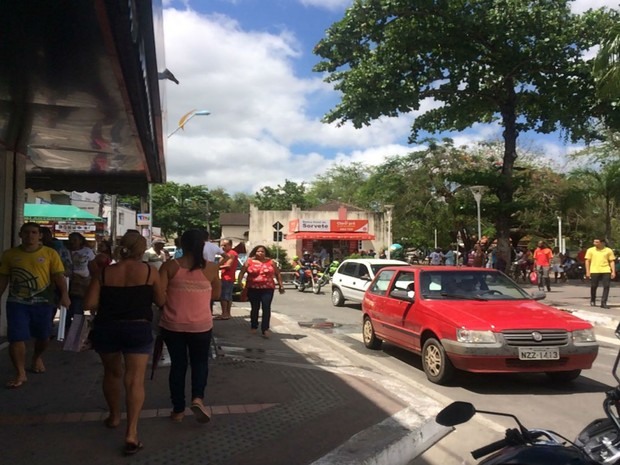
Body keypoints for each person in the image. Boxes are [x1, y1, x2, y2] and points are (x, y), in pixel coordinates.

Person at [84, 231, 165, 455]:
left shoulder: (105, 272)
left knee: (111, 374)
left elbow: (90, 302)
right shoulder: (151, 271)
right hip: (137, 328)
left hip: (107, 328)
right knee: (134, 380)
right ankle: (131, 432)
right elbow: (161, 301)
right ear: (141, 249)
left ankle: (113, 416)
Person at [159, 229, 221, 423]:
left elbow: (159, 298)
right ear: (202, 245)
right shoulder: (211, 268)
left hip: (172, 325)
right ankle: (197, 398)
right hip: (201, 325)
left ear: (181, 245)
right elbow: (217, 295)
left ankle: (178, 410)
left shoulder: (169, 266)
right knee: (200, 363)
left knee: (178, 365)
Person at [0, 222, 70, 387]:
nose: (30, 235)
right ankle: (20, 372)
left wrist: (65, 295)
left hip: (43, 302)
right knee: (16, 337)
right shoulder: (9, 255)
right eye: (26, 232)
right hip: (17, 302)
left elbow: (59, 277)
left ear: (40, 236)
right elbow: (3, 278)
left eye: (33, 232)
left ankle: (36, 357)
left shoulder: (50, 253)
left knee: (43, 336)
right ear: (20, 235)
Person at [237, 245, 284, 338]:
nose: (260, 253)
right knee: (255, 308)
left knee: (266, 308)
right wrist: (239, 282)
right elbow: (242, 272)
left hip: (267, 288)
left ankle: (265, 329)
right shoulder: (249, 262)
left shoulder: (271, 262)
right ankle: (254, 326)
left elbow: (277, 273)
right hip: (253, 288)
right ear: (255, 252)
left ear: (265, 253)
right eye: (258, 251)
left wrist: (281, 285)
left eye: (262, 251)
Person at [66, 232, 96, 331]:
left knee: (78, 305)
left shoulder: (87, 251)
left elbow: (93, 267)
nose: (72, 242)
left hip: (82, 283)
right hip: (66, 282)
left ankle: (76, 328)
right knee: (67, 307)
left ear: (80, 241)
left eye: (75, 240)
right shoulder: (64, 251)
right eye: (70, 239)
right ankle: (67, 327)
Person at [585, 238, 616, 309]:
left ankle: (603, 302)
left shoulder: (608, 250)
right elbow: (587, 261)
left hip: (606, 270)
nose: (594, 243)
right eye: (594, 242)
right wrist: (587, 271)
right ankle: (593, 299)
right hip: (594, 270)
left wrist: (613, 271)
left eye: (596, 242)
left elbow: (611, 261)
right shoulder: (590, 250)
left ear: (602, 243)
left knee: (606, 286)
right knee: (594, 286)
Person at [216, 239, 238, 320]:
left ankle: (224, 313)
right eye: (222, 245)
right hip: (227, 277)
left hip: (227, 277)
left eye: (225, 245)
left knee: (224, 296)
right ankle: (227, 313)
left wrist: (215, 267)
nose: (223, 247)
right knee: (228, 296)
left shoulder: (231, 253)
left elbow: (228, 265)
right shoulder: (227, 254)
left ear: (230, 246)